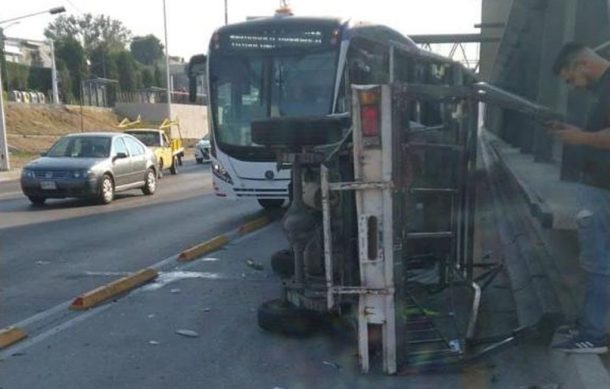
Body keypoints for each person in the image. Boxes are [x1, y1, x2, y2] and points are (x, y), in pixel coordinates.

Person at [547, 42, 610, 354]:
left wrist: (580, 138)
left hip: (602, 190)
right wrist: (575, 131)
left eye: (570, 79)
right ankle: (591, 324)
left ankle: (595, 335)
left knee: (598, 263)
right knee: (597, 262)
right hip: (598, 187)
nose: (571, 85)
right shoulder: (602, 89)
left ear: (582, 64)